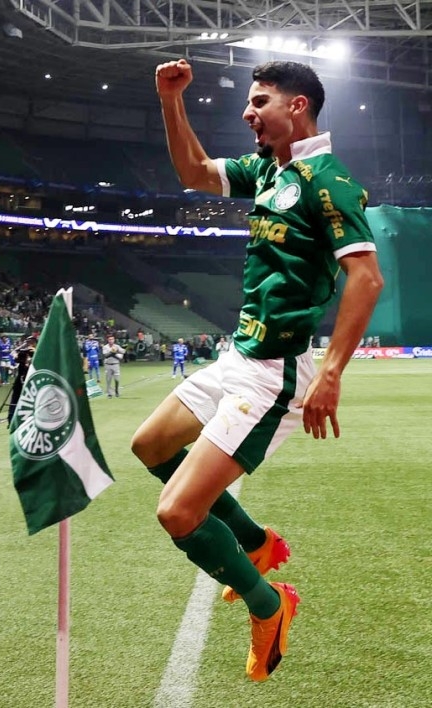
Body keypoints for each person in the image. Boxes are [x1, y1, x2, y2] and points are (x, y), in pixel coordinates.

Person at [130, 59, 384, 682]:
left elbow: (366, 277)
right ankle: (257, 543)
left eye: (260, 101)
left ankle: (269, 606)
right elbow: (193, 171)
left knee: (177, 513)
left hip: (275, 372)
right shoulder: (271, 170)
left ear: (297, 107)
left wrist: (330, 375)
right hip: (238, 354)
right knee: (149, 444)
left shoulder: (330, 180)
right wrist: (171, 101)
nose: (248, 112)